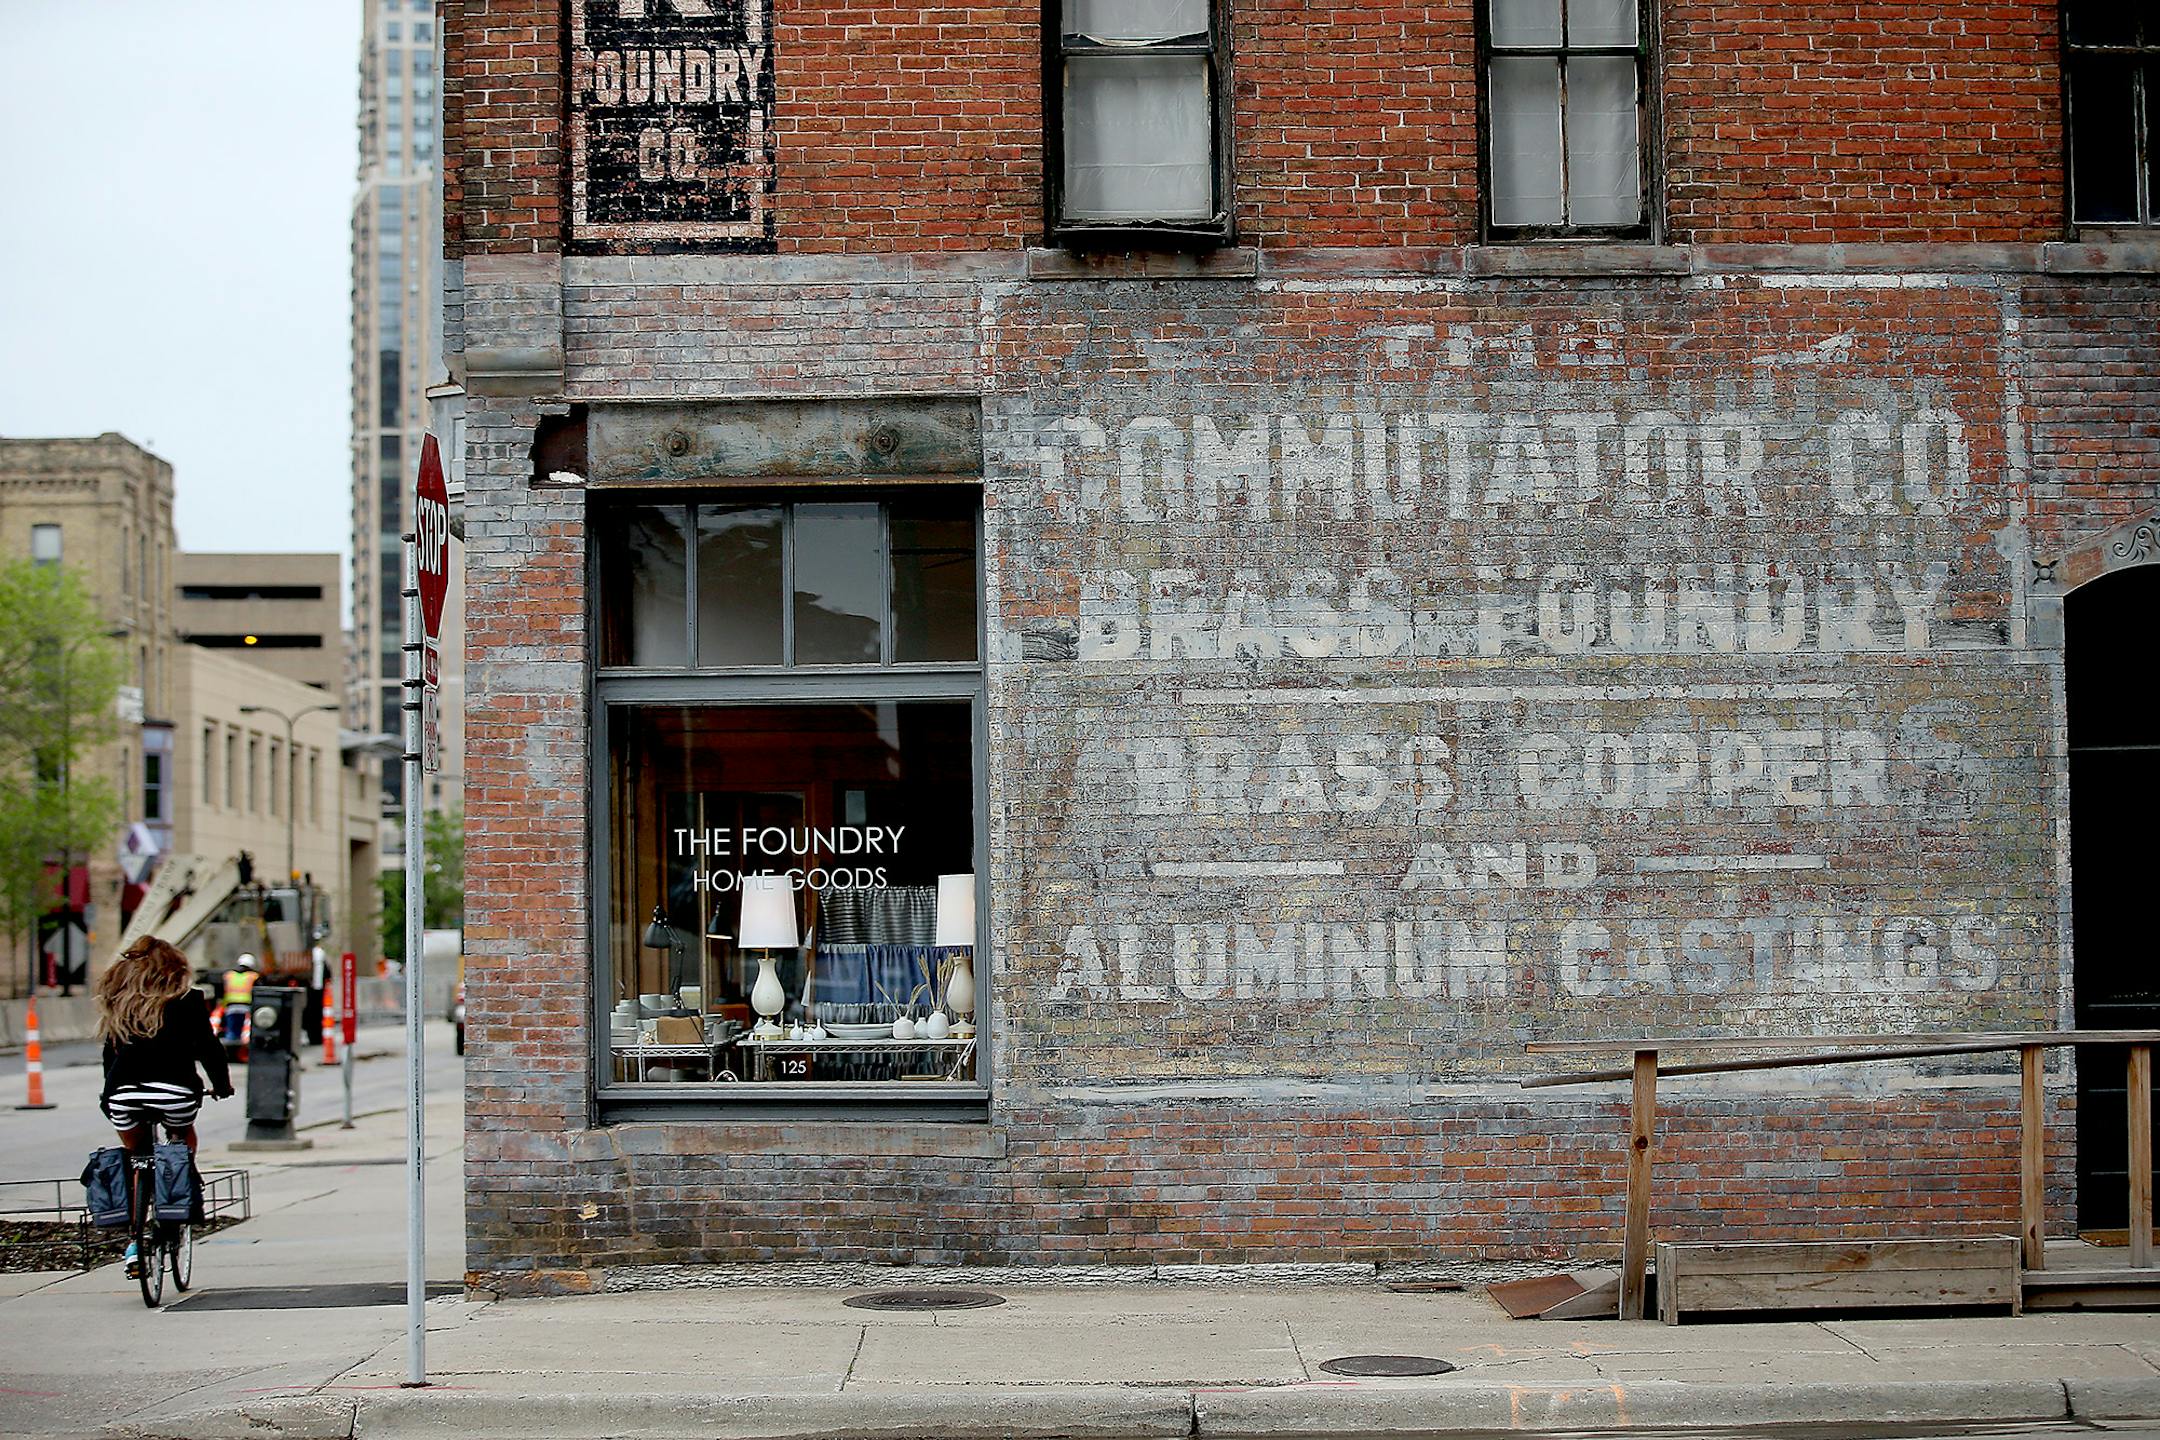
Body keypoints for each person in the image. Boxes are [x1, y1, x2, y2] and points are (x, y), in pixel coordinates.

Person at [97, 937, 234, 1277]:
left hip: (123, 1094)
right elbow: (208, 1047)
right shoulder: (187, 1000)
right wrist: (221, 1085)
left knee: (134, 1154)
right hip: (175, 1092)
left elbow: (109, 1054)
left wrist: (109, 1095)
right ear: (174, 968)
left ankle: (133, 1245)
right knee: (182, 1132)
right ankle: (183, 1178)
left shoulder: (122, 1000)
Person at [220, 953, 259, 1049]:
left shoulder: (229, 975)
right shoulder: (253, 976)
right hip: (247, 1007)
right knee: (247, 1031)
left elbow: (221, 990)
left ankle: (229, 1051)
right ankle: (244, 1051)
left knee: (232, 1030)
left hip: (231, 1007)